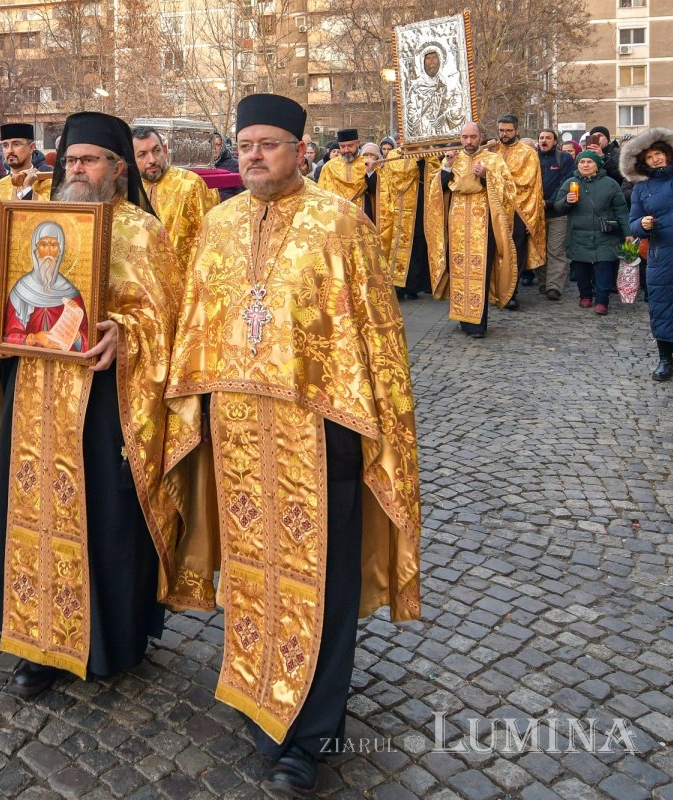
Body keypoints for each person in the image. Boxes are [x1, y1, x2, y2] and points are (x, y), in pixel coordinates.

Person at [162, 93, 420, 798]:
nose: (254, 156)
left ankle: (309, 734)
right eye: (245, 144)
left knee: (322, 582)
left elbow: (375, 336)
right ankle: (258, 698)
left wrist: (371, 429)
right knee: (252, 571)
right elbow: (197, 324)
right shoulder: (217, 227)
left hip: (320, 433)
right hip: (238, 433)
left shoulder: (340, 223)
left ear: (299, 151)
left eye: (269, 144)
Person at [0, 111, 179, 700]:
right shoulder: (34, 223)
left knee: (106, 520)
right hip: (35, 394)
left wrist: (125, 333)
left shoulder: (142, 232)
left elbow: (167, 320)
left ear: (118, 170)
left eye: (89, 160)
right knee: (32, 515)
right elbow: (5, 293)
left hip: (105, 403)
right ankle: (37, 643)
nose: (76, 170)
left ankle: (112, 642)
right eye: (70, 159)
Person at [621, 128, 673, 387]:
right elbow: (633, 224)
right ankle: (665, 360)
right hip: (666, 259)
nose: (656, 159)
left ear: (669, 153)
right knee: (665, 311)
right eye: (650, 157)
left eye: (659, 153)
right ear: (642, 163)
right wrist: (642, 225)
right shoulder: (642, 189)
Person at [423, 122, 517, 338]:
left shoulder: (493, 160)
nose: (468, 141)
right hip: (456, 225)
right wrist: (446, 168)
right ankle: (464, 319)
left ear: (481, 137)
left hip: (483, 227)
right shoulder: (453, 158)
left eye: (473, 137)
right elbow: (436, 191)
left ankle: (478, 324)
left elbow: (509, 191)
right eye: (464, 137)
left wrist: (486, 177)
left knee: (478, 271)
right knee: (458, 271)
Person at [132, 125, 215, 295]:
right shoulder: (129, 190)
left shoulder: (190, 184)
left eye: (156, 151)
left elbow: (209, 242)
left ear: (164, 150)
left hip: (184, 289)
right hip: (143, 289)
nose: (152, 160)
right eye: (142, 155)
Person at [552, 150, 628, 316]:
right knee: (581, 269)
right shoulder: (570, 183)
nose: (585, 165)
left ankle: (602, 300)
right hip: (579, 234)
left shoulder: (610, 184)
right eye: (582, 162)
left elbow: (621, 209)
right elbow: (558, 207)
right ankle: (585, 295)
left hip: (605, 234)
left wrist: (628, 232)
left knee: (604, 269)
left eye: (589, 162)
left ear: (597, 165)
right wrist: (567, 202)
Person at [2, 220, 91, 351]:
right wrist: (35, 339)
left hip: (68, 367)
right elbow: (7, 336)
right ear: (35, 250)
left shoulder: (71, 294)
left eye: (54, 245)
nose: (49, 251)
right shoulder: (21, 291)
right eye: (44, 245)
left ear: (60, 251)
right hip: (25, 365)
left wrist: (74, 324)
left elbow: (88, 345)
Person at [490, 115, 545, 303]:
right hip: (494, 209)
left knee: (515, 251)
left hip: (518, 210)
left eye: (508, 131)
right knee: (495, 250)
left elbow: (524, 182)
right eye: (501, 131)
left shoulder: (528, 153)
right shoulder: (493, 150)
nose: (504, 134)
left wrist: (495, 178)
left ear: (517, 131)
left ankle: (511, 293)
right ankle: (494, 290)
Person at [378, 145, 442, 300]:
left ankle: (413, 286)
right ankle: (398, 286)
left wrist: (422, 161)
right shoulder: (393, 154)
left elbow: (433, 178)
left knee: (417, 247)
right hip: (397, 207)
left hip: (418, 207)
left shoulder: (427, 153)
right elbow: (386, 181)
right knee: (396, 247)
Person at [0, 123, 52, 247]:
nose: (10, 150)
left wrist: (28, 189)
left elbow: (50, 222)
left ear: (31, 147)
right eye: (5, 145)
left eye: (16, 144)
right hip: (2, 262)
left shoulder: (48, 184)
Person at [536, 129, 576, 300]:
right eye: (542, 138)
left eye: (548, 138)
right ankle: (543, 282)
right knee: (539, 249)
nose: (544, 140)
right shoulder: (532, 158)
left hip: (557, 212)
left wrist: (550, 202)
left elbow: (564, 184)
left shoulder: (564, 159)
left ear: (554, 141)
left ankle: (554, 286)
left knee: (556, 250)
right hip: (536, 213)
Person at [405, 46, 465, 140]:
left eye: (435, 58)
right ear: (422, 63)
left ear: (440, 61)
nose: (432, 61)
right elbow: (410, 119)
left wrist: (444, 117)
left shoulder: (450, 84)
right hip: (423, 136)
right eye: (428, 58)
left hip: (446, 136)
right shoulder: (416, 89)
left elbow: (460, 107)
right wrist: (424, 108)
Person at [317, 129, 370, 207]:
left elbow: (378, 191)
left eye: (350, 146)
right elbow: (321, 193)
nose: (346, 150)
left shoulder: (367, 164)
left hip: (361, 212)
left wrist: (371, 172)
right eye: (342, 146)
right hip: (336, 212)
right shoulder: (329, 166)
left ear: (358, 143)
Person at [211, 132, 242, 201]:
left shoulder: (235, 165)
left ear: (223, 147)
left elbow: (241, 194)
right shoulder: (202, 165)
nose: (214, 148)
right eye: (212, 144)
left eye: (217, 144)